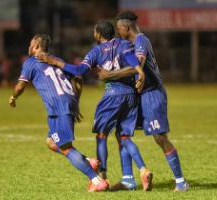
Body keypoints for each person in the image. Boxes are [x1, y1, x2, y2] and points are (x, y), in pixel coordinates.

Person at [36, 20, 154, 191]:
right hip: (131, 95)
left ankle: (102, 177)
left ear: (98, 34)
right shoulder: (124, 44)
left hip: (112, 95)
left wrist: (54, 61)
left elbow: (78, 71)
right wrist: (141, 73)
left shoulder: (96, 52)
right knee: (125, 137)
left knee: (101, 135)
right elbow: (134, 63)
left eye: (94, 32)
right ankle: (143, 170)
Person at [97, 11, 189, 192]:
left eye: (118, 29)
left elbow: (136, 66)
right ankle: (128, 180)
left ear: (126, 27)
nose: (117, 33)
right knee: (121, 132)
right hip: (136, 96)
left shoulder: (141, 41)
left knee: (160, 137)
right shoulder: (127, 44)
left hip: (152, 94)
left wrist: (110, 75)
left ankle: (181, 182)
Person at [9, 34, 108, 192]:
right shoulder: (56, 60)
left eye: (30, 44)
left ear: (36, 46)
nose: (28, 46)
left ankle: (96, 181)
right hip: (66, 103)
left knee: (65, 148)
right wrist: (75, 102)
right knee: (51, 142)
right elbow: (78, 77)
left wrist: (13, 97)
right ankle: (88, 161)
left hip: (57, 107)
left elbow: (20, 86)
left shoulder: (31, 62)